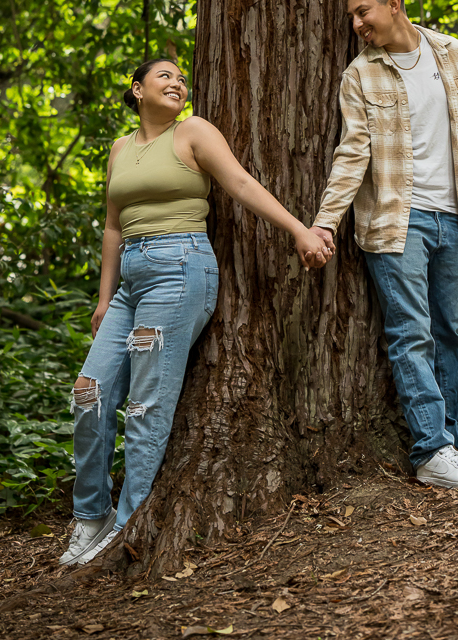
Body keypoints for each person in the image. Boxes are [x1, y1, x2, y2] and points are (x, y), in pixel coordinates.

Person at [62, 58, 332, 567]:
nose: (177, 83)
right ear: (137, 89)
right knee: (89, 393)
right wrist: (104, 298)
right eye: (164, 76)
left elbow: (243, 185)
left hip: (179, 268)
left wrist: (299, 230)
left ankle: (127, 525)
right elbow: (113, 227)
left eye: (182, 79)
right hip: (132, 281)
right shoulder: (121, 148)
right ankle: (90, 516)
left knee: (145, 404)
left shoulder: (193, 132)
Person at [307, 0, 458, 491]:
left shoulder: (451, 53)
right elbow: (352, 153)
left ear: (395, 5)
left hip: (453, 216)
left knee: (453, 335)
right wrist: (324, 220)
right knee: (413, 336)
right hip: (396, 221)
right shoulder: (359, 75)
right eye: (353, 18)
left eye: (364, 13)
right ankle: (433, 450)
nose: (358, 25)